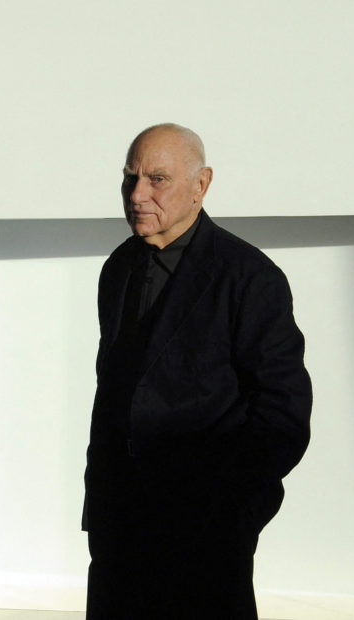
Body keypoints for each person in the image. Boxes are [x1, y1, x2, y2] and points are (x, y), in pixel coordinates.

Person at [83, 123, 312, 619]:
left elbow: (283, 413)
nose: (138, 194)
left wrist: (233, 515)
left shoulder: (250, 277)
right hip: (119, 531)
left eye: (157, 179)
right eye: (130, 178)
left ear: (201, 185)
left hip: (205, 538)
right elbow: (114, 396)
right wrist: (99, 509)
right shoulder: (118, 268)